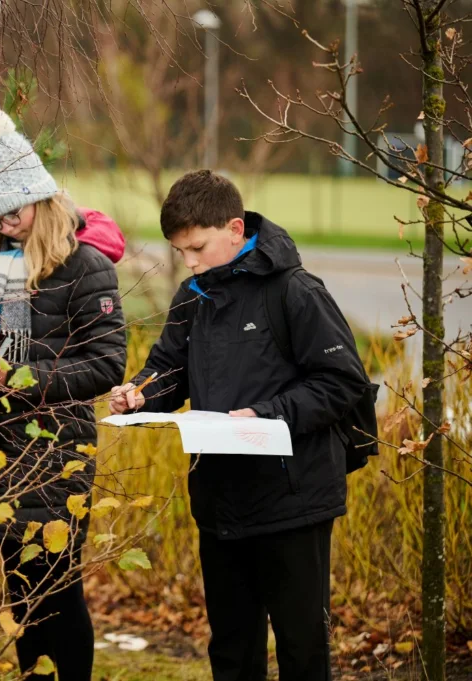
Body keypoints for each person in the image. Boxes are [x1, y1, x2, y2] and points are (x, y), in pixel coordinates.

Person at [110, 170, 369, 681]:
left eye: (197, 247)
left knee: (302, 649)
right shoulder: (192, 295)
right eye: (181, 251)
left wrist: (267, 415)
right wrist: (138, 394)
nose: (188, 262)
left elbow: (342, 383)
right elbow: (168, 369)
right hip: (220, 499)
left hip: (294, 501)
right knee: (231, 650)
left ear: (234, 228)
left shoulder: (296, 291)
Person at [0, 102, 127, 681]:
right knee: (21, 591)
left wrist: (20, 379)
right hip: (1, 446)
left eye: (13, 212)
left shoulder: (86, 267)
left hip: (57, 451)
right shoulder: (3, 267)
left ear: (40, 196)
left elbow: (107, 364)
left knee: (57, 587)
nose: (5, 225)